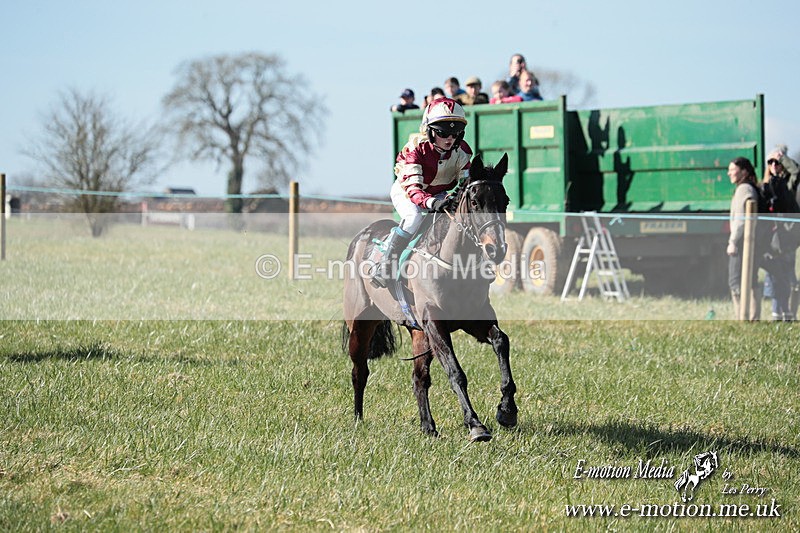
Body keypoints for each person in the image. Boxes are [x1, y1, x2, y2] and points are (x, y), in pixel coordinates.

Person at [372, 97, 472, 287]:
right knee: (414, 218)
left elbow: (465, 184)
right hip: (407, 192)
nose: (450, 138)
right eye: (443, 132)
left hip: (439, 194)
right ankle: (385, 265)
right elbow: (414, 190)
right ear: (430, 131)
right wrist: (433, 203)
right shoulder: (415, 150)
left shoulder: (463, 152)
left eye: (455, 132)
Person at [761, 147, 800, 320]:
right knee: (773, 275)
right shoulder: (764, 186)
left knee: (789, 275)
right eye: (770, 162)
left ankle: (790, 312)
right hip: (770, 238)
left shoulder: (787, 185)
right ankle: (777, 312)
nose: (774, 165)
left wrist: (783, 158)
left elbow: (796, 172)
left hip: (787, 238)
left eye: (776, 162)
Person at [727, 157, 761, 320]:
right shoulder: (748, 188)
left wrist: (733, 242)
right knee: (750, 279)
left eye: (732, 170)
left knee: (736, 282)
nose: (729, 173)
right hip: (749, 241)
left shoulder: (744, 190)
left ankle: (745, 317)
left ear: (744, 172)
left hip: (742, 243)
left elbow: (741, 220)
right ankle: (752, 317)